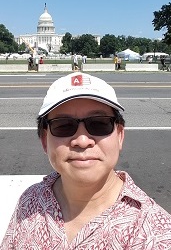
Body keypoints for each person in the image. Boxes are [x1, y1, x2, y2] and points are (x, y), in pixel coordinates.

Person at [1, 72, 171, 249]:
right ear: (45, 141)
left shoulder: (154, 233)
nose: (82, 141)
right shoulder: (30, 200)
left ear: (120, 136)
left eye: (99, 123)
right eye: (64, 125)